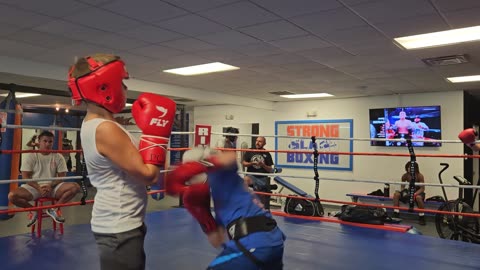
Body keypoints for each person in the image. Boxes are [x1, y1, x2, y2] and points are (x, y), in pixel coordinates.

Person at [68, 53, 176, 270]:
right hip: (119, 225)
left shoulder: (99, 124)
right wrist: (157, 134)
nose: (125, 89)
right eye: (121, 83)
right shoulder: (105, 129)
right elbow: (150, 175)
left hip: (121, 222)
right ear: (104, 87)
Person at [166, 148, 285, 269]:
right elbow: (217, 241)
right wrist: (204, 217)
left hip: (254, 244)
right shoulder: (218, 199)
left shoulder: (223, 175)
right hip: (274, 241)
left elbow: (230, 157)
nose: (189, 181)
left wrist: (202, 164)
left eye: (190, 175)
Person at [8, 130, 81, 226]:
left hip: (53, 187)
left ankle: (53, 209)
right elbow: (25, 176)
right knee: (12, 196)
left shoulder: (58, 156)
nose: (47, 144)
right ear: (39, 141)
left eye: (50, 142)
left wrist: (51, 185)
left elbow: (62, 176)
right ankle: (35, 211)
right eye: (45, 141)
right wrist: (38, 187)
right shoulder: (32, 156)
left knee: (75, 187)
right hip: (34, 187)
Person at [242, 136, 274, 210]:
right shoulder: (250, 151)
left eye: (260, 141)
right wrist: (252, 163)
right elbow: (244, 163)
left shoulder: (267, 154)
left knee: (261, 197)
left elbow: (270, 169)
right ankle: (245, 202)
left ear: (264, 143)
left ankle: (261, 211)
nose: (257, 143)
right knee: (245, 180)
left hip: (262, 178)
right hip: (251, 176)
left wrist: (263, 165)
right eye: (257, 141)